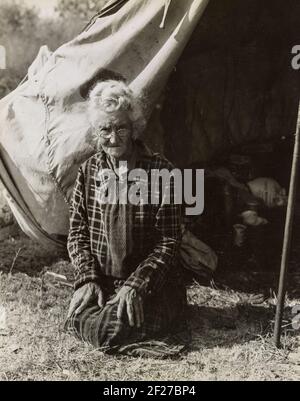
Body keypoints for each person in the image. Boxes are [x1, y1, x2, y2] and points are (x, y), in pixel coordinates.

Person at [65, 80, 188, 357]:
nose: (113, 137)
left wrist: (136, 286)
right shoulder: (88, 171)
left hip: (152, 285)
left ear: (134, 127)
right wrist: (87, 279)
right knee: (84, 314)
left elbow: (169, 241)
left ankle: (110, 321)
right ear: (96, 133)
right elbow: (77, 232)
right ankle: (102, 312)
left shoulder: (161, 171)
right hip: (104, 282)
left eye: (120, 127)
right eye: (105, 129)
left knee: (106, 331)